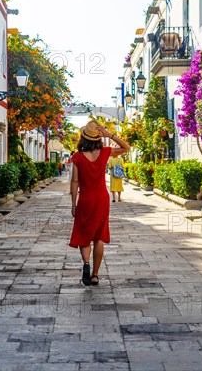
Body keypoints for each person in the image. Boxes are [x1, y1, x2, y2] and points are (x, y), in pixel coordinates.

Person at [69, 121, 130, 286]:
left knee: (84, 235)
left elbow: (75, 181)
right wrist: (109, 135)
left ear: (83, 138)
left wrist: (73, 203)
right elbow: (126, 147)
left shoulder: (78, 157)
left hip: (85, 199)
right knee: (99, 237)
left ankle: (86, 264)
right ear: (98, 138)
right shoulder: (105, 152)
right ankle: (95, 275)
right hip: (102, 199)